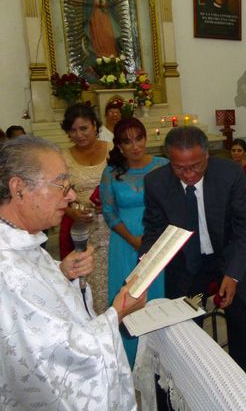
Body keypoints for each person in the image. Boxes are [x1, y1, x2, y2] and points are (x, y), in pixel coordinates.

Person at [0, 135, 145, 408]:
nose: (70, 195)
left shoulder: (19, 241)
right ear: (18, 188)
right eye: (62, 185)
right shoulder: (8, 269)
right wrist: (118, 312)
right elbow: (63, 357)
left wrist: (61, 272)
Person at [141, 126, 246, 379]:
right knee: (185, 331)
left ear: (207, 156)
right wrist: (145, 268)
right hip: (188, 263)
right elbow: (154, 230)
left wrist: (234, 274)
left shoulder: (231, 174)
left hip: (230, 257)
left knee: (239, 321)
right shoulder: (156, 182)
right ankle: (191, 384)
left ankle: (245, 384)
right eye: (180, 168)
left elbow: (245, 227)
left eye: (196, 166)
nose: (189, 175)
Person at [100, 117, 168, 366]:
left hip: (159, 242)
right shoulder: (111, 172)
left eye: (138, 138)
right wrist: (133, 239)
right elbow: (108, 212)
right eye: (127, 141)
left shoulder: (163, 165)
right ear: (118, 145)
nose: (135, 146)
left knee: (158, 297)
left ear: (145, 138)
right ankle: (131, 360)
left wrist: (156, 241)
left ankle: (162, 358)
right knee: (129, 301)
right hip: (125, 243)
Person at [59, 103, 112, 314]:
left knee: (112, 274)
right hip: (81, 227)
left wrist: (109, 202)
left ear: (95, 126)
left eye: (83, 128)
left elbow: (122, 181)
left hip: (110, 224)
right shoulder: (63, 157)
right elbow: (58, 193)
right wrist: (71, 211)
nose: (78, 134)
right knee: (87, 280)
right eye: (72, 130)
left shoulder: (111, 149)